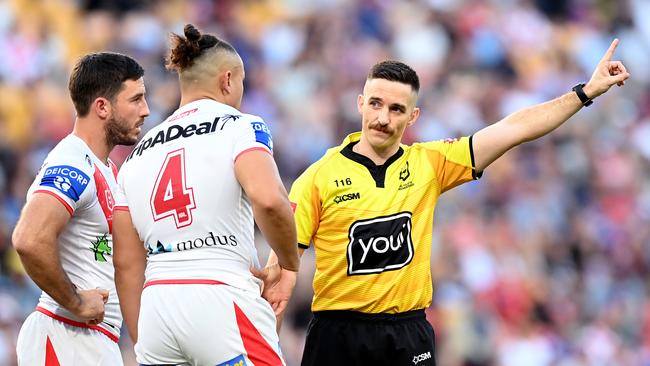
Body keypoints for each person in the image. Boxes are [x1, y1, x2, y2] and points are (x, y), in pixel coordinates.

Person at [260, 39, 629, 366]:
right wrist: (279, 284)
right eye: (375, 104)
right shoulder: (318, 177)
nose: (383, 118)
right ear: (360, 104)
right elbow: (285, 261)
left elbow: (512, 129)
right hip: (338, 333)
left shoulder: (429, 164)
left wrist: (585, 92)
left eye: (396, 109)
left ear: (413, 116)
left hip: (407, 332)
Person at [112, 24, 300, 366]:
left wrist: (145, 341)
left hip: (157, 305)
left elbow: (125, 262)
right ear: (227, 80)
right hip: (221, 295)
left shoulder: (136, 156)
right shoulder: (241, 126)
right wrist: (288, 263)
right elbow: (270, 200)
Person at [12, 52, 150, 365]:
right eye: (136, 99)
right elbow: (29, 239)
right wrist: (75, 303)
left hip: (91, 340)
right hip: (66, 335)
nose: (146, 110)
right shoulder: (72, 162)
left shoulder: (104, 168)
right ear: (102, 106)